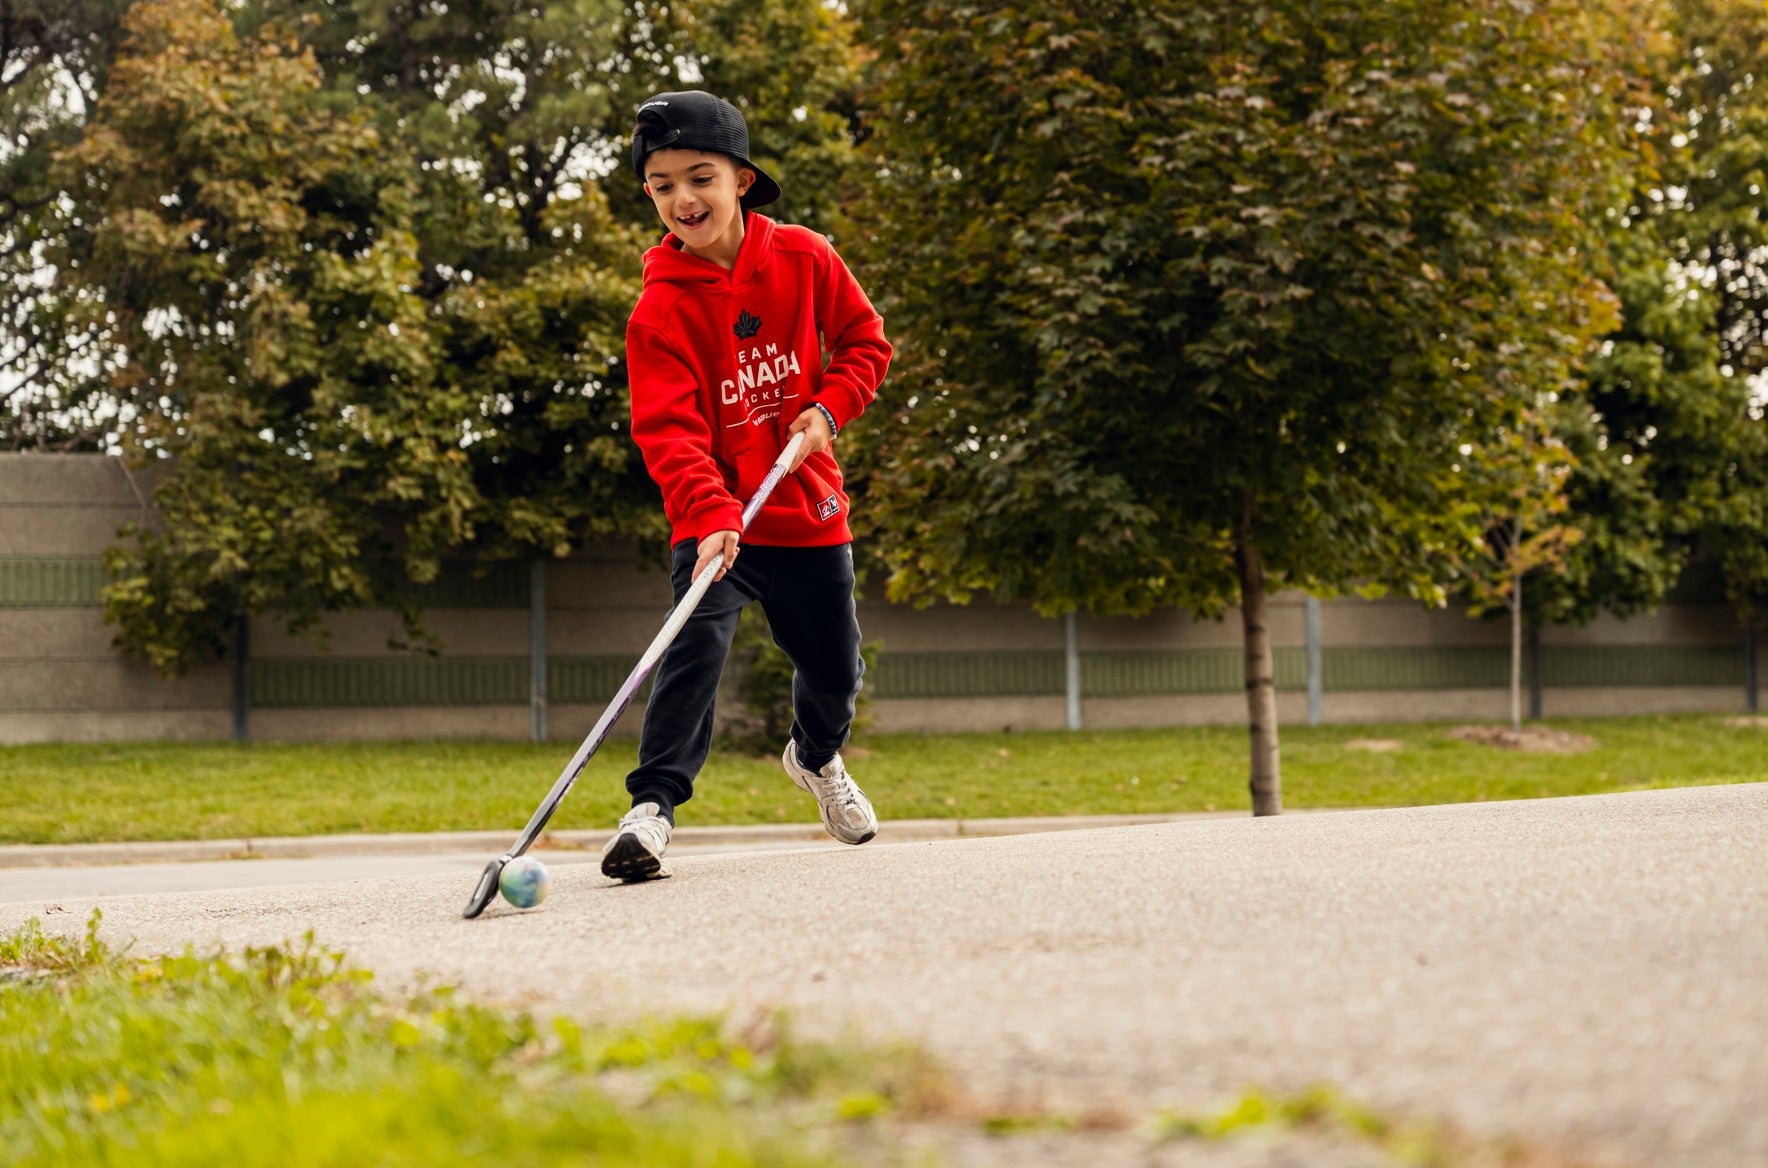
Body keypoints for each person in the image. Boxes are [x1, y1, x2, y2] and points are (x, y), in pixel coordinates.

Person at [600, 90, 892, 882]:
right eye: (661, 185)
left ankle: (817, 757)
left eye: (699, 177)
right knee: (691, 651)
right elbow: (670, 431)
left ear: (741, 177)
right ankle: (652, 808)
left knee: (836, 672)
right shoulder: (657, 312)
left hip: (804, 506)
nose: (683, 199)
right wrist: (711, 515)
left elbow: (866, 343)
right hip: (717, 517)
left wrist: (828, 410)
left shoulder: (804, 257)